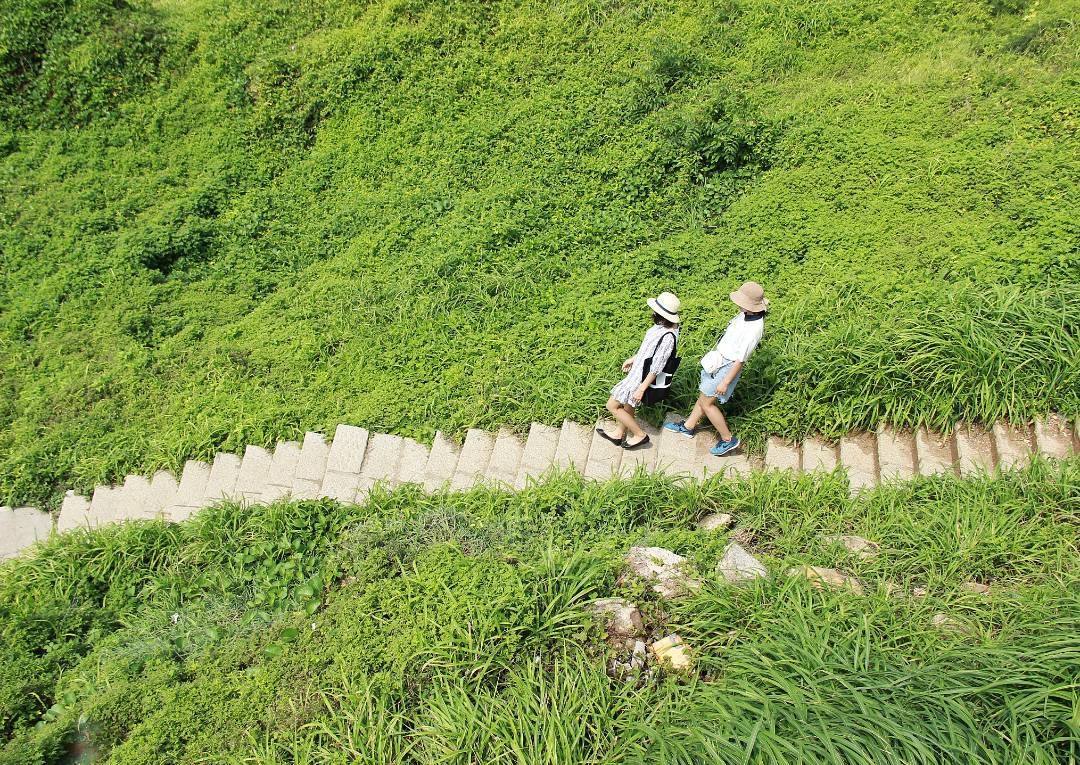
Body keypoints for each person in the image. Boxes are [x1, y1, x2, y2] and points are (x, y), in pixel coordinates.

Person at [663, 281, 768, 456]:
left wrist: (725, 382)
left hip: (727, 367)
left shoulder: (754, 329)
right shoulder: (746, 315)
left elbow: (740, 361)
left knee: (707, 403)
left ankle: (728, 439)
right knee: (704, 395)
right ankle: (688, 426)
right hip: (720, 360)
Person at [598, 292, 681, 450]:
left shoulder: (669, 336)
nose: (653, 313)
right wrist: (634, 358)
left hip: (641, 378)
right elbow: (649, 349)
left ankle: (640, 435)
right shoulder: (662, 324)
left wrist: (641, 388)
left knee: (613, 405)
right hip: (637, 371)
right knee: (629, 405)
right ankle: (619, 432)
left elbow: (657, 365)